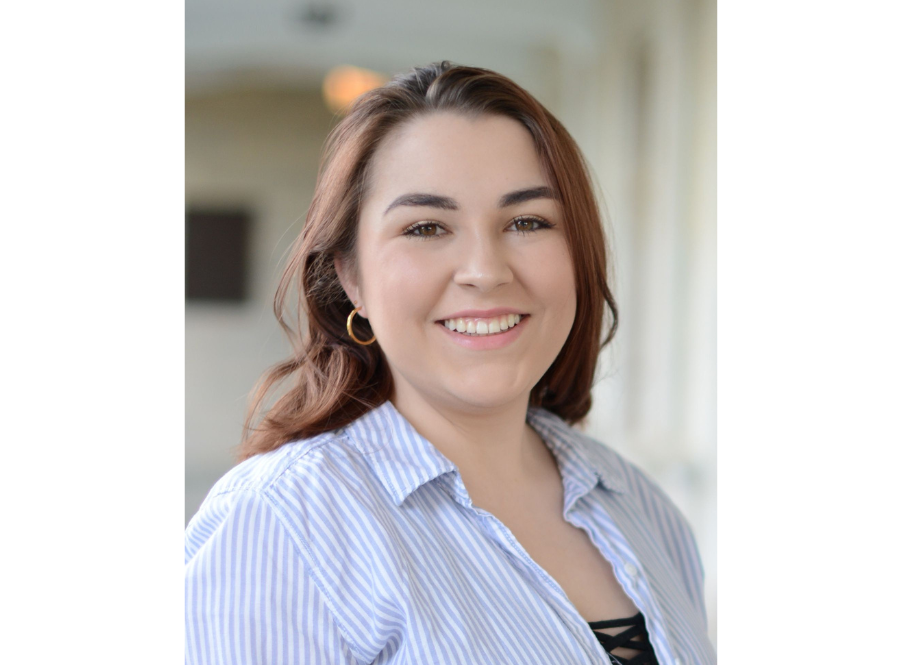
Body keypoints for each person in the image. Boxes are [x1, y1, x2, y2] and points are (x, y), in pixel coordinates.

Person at [185, 61, 715, 665]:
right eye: (428, 227)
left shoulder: (642, 508)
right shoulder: (284, 524)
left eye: (527, 222)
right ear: (350, 276)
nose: (486, 271)